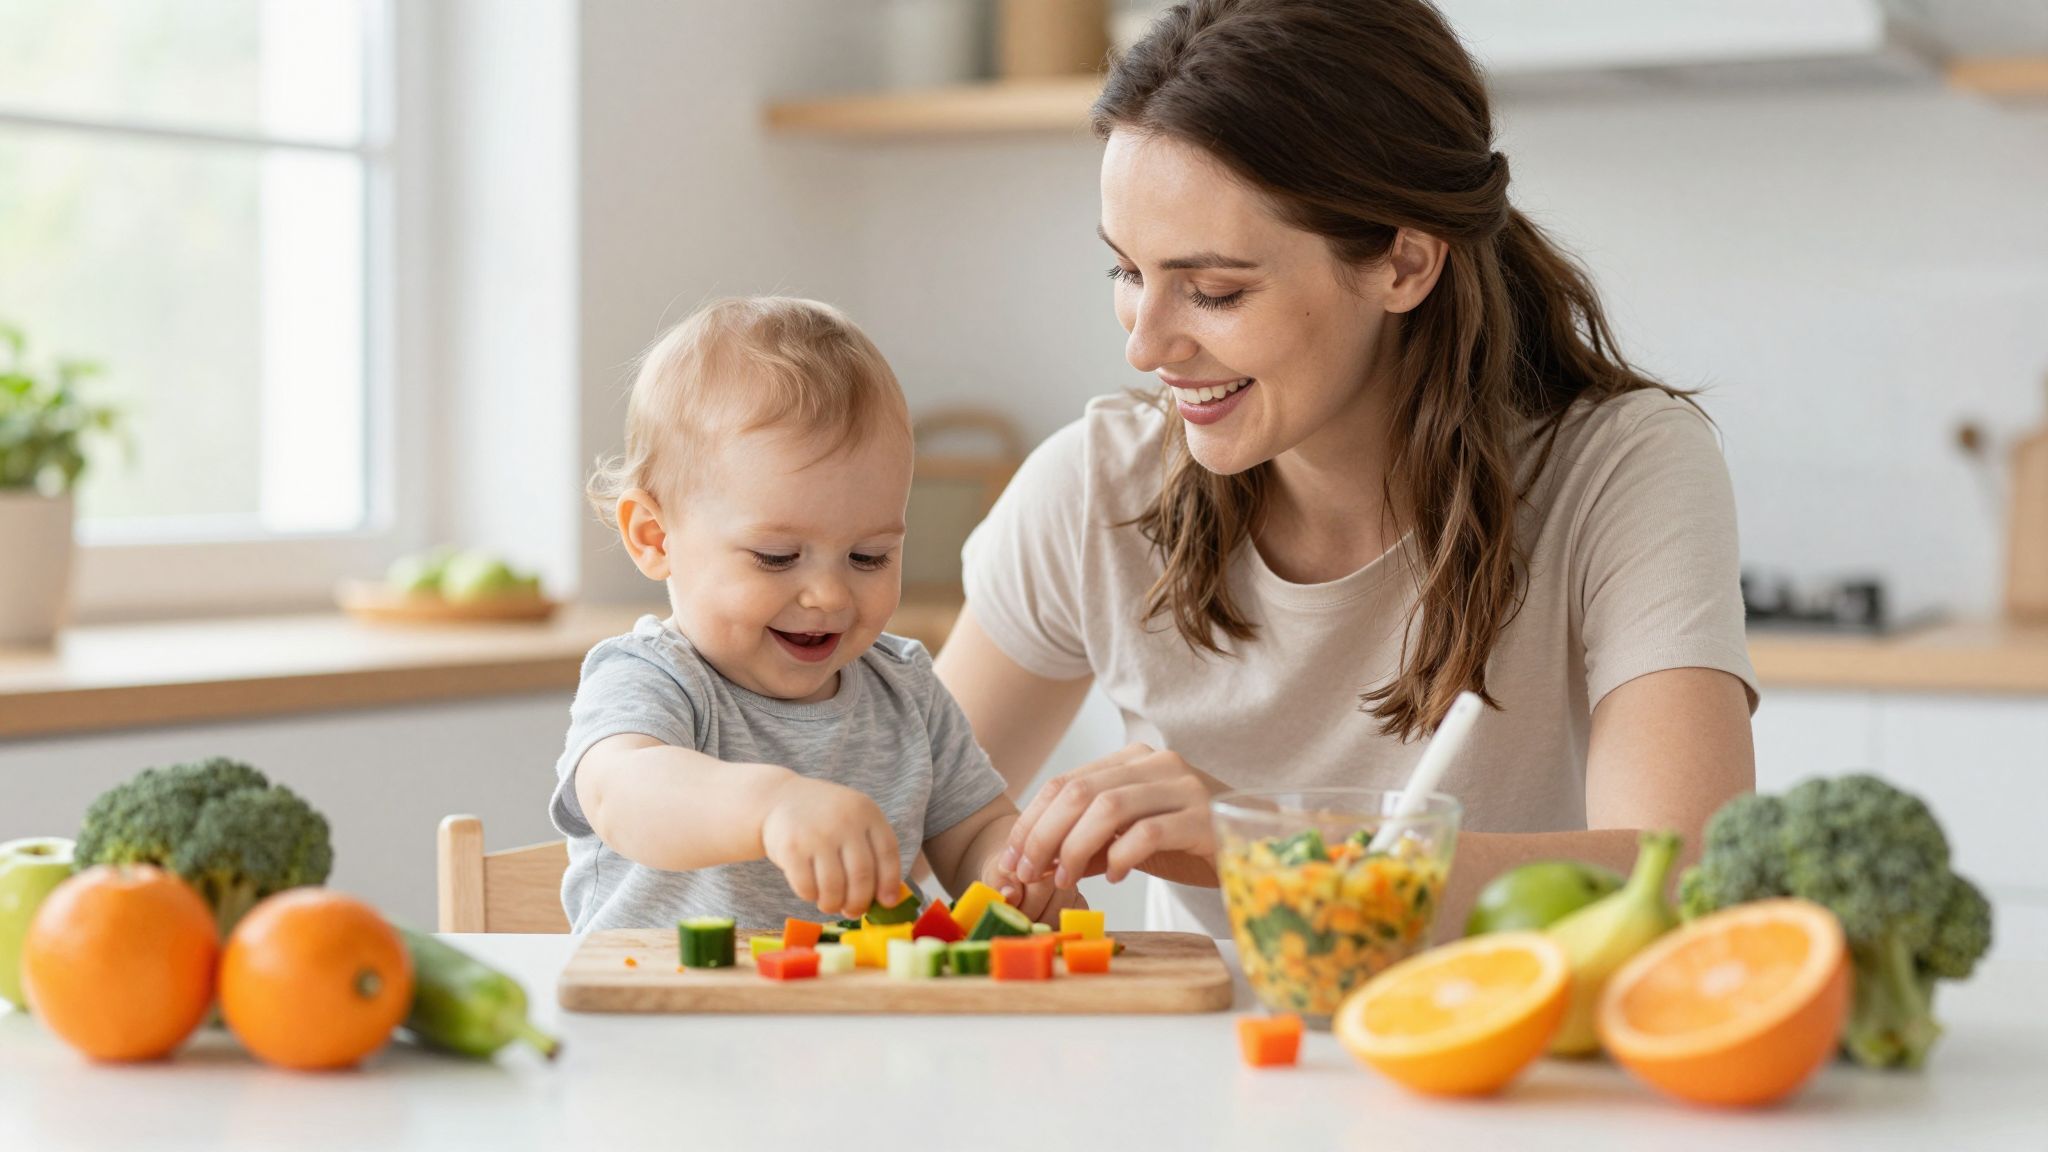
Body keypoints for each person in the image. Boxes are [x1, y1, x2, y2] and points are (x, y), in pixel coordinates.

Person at [936, 0, 1758, 938]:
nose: (1146, 346)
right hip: (1212, 1039)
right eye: (1127, 273)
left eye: (1214, 291)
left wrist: (1269, 846)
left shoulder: (1618, 468)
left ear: (1403, 264)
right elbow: (914, 800)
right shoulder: (1095, 488)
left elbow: (1686, 873)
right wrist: (1000, 870)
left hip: (1507, 1032)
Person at [551, 297, 1072, 932]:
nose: (829, 595)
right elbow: (623, 795)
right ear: (655, 538)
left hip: (858, 996)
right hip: (657, 995)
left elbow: (973, 833)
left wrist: (1016, 873)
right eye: (777, 557)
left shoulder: (905, 688)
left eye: (868, 556)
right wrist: (771, 806)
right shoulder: (651, 677)